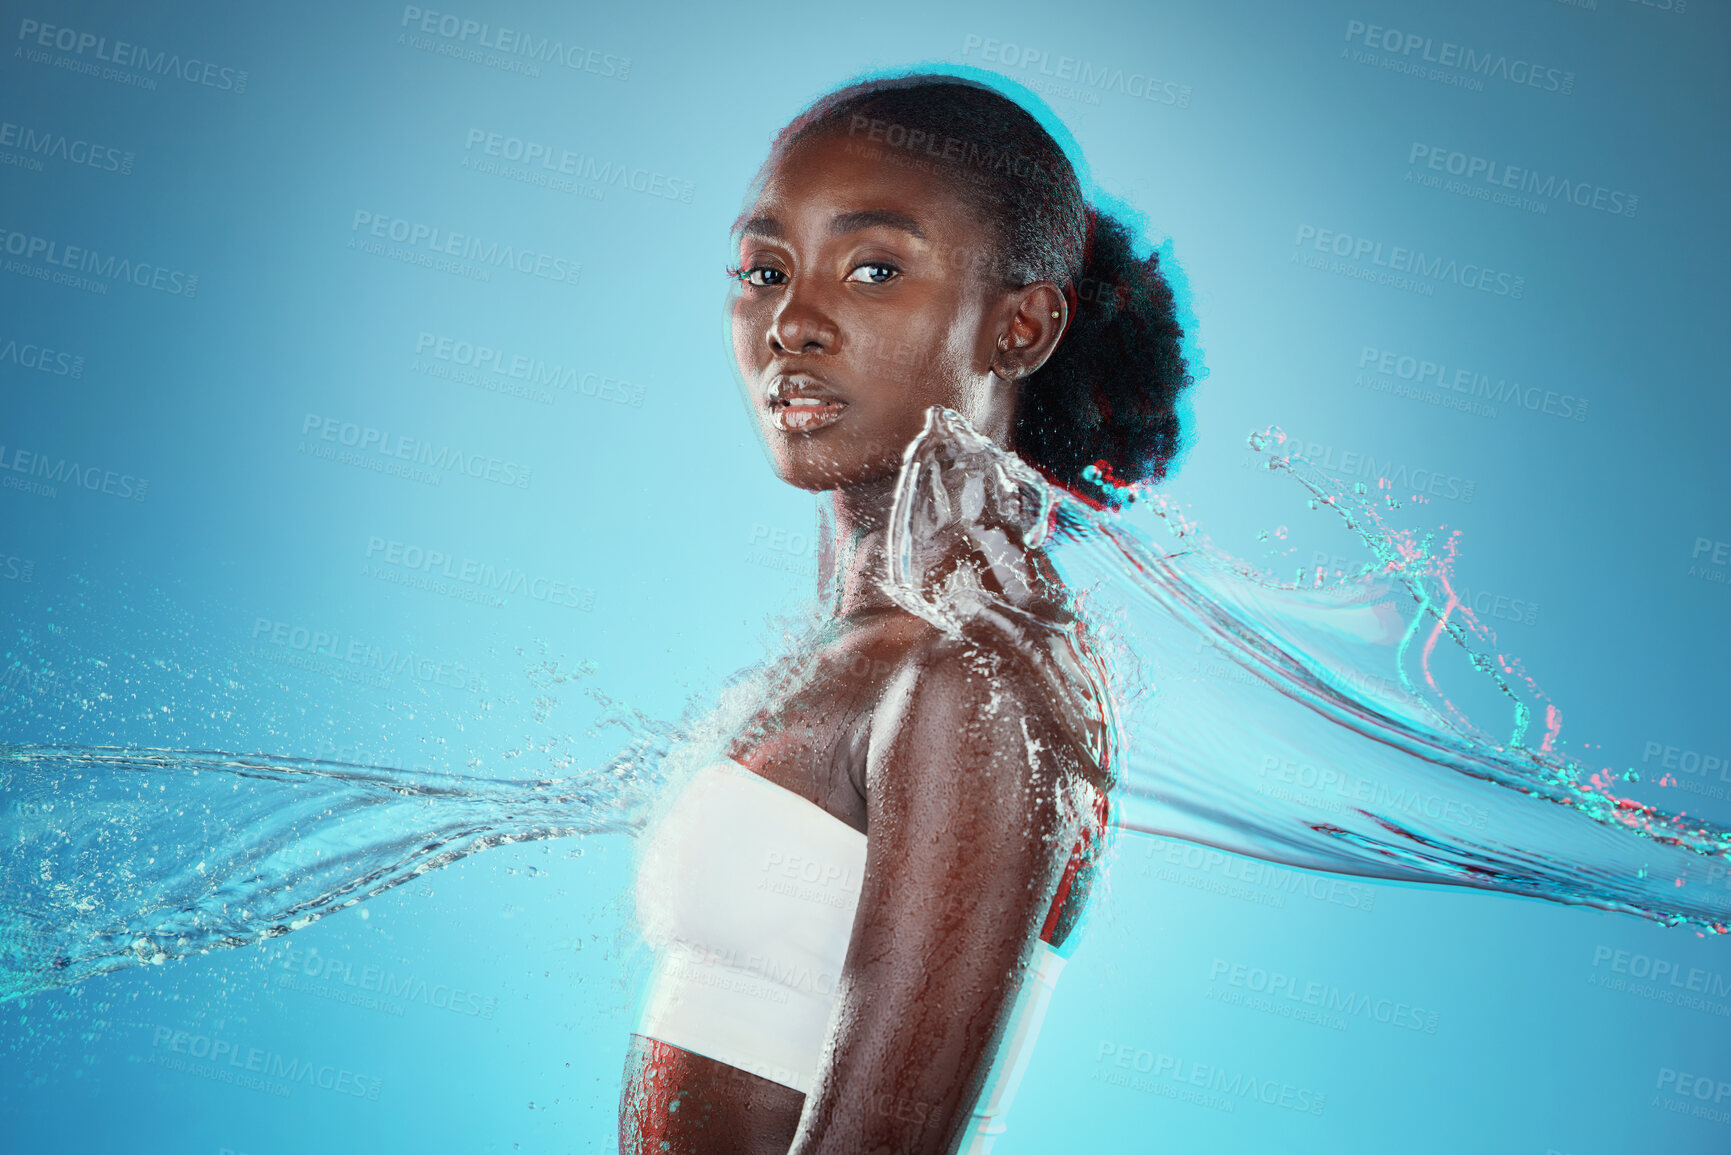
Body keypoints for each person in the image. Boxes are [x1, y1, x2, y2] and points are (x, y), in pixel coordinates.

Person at [620, 72, 1193, 1154]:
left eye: (874, 268)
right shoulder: (869, 646)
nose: (792, 321)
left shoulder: (970, 677)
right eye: (763, 271)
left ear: (1021, 327)